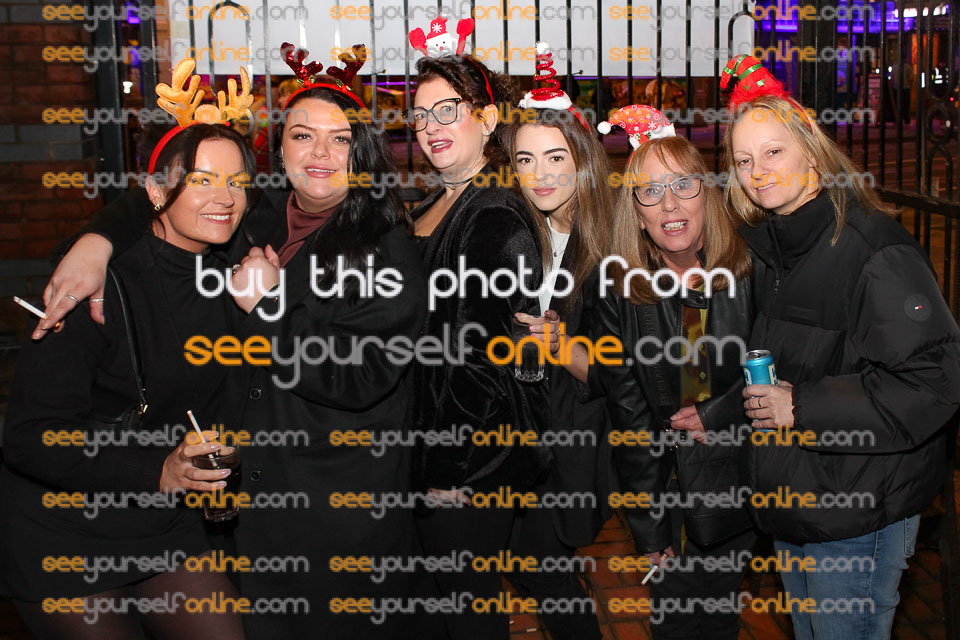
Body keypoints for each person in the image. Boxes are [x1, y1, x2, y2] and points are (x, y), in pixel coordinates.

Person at [29, 49, 428, 639]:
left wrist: (266, 308)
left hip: (334, 515)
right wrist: (95, 243)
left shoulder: (385, 248)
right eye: (302, 136)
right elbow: (172, 192)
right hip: (245, 510)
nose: (320, 154)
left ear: (363, 154)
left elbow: (359, 377)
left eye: (340, 140)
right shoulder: (256, 220)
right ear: (279, 150)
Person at [722, 55, 960, 640]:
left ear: (811, 149)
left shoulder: (872, 249)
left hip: (858, 509)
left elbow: (934, 382)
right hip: (800, 496)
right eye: (744, 160)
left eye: (773, 151)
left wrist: (800, 406)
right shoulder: (778, 246)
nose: (758, 172)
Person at [0, 123, 252, 640]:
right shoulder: (95, 289)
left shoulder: (234, 270)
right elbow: (29, 437)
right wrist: (157, 469)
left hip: (164, 524)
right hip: (67, 527)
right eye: (202, 180)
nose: (225, 198)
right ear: (155, 193)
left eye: (237, 181)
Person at [589, 105, 756, 640]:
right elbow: (630, 418)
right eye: (650, 191)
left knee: (720, 617)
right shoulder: (618, 293)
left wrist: (719, 414)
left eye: (683, 184)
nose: (670, 204)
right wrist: (649, 526)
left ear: (706, 194)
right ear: (636, 214)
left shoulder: (752, 271)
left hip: (742, 478)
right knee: (676, 619)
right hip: (669, 487)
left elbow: (782, 370)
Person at [403, 46, 550, 639]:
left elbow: (483, 360)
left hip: (468, 461)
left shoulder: (495, 216)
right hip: (431, 444)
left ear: (487, 119)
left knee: (469, 612)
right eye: (420, 115)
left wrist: (447, 468)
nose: (430, 126)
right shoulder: (437, 202)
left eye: (448, 109)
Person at [498, 43, 615, 640]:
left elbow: (629, 372)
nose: (539, 174)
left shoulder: (615, 243)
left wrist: (561, 345)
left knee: (540, 568)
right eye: (525, 159)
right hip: (517, 432)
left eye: (555, 157)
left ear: (583, 160)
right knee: (531, 566)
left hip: (572, 439)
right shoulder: (517, 228)